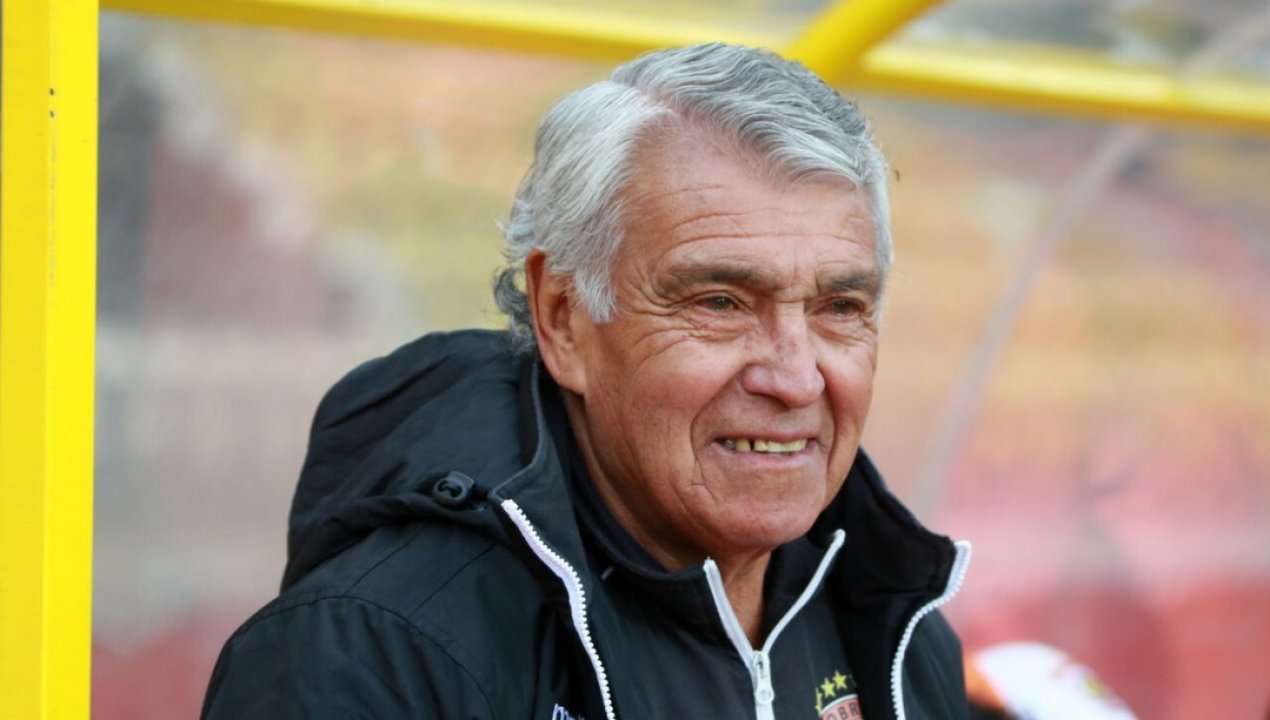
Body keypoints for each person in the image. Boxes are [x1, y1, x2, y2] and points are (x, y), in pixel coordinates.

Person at [201, 42, 971, 720]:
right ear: (563, 318)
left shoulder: (897, 629)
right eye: (720, 302)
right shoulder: (378, 653)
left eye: (840, 307)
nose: (796, 379)